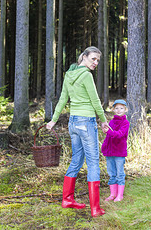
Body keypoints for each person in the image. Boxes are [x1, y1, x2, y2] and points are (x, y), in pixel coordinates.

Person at [46, 46, 109, 217]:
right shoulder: (86, 76)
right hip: (86, 122)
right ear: (84, 57)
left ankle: (67, 199)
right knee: (94, 162)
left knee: (77, 159)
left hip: (73, 123)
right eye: (93, 59)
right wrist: (103, 121)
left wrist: (54, 119)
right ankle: (95, 209)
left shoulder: (69, 75)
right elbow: (96, 101)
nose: (95, 63)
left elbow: (62, 99)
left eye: (98, 60)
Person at [101, 99, 130, 202]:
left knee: (120, 174)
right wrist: (106, 132)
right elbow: (109, 136)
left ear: (125, 110)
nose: (118, 110)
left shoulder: (125, 123)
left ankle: (120, 195)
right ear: (113, 109)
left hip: (119, 152)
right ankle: (113, 194)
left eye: (121, 108)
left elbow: (119, 135)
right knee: (111, 173)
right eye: (116, 108)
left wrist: (109, 132)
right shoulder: (112, 121)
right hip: (110, 152)